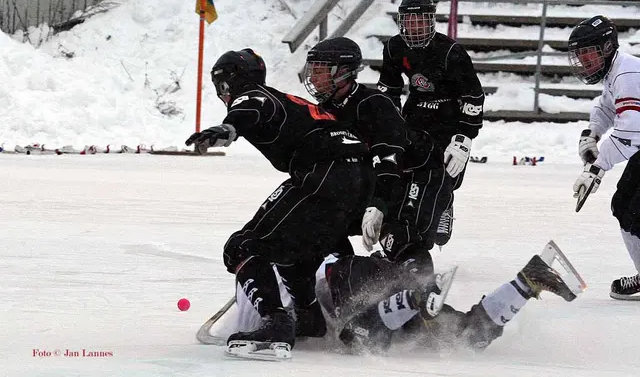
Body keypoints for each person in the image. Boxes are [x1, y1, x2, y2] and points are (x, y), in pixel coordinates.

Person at [185, 48, 375, 350]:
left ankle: (275, 323)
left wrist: (227, 129)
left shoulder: (252, 95)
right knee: (292, 253)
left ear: (226, 83)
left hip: (325, 172)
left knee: (241, 246)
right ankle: (308, 316)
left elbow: (250, 109)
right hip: (359, 178)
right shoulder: (283, 99)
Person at [227, 246, 581, 355]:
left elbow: (291, 323)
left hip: (351, 279)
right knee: (469, 338)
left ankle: (414, 298)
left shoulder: (270, 276)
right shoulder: (282, 257)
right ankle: (528, 280)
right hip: (377, 275)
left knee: (359, 336)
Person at [303, 36, 452, 274]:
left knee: (398, 238)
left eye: (319, 71)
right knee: (322, 226)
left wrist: (378, 204)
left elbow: (389, 158)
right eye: (312, 71)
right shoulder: (326, 112)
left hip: (419, 174)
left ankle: (421, 290)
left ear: (342, 72)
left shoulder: (374, 104)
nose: (312, 78)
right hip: (380, 180)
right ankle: (343, 278)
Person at [376, 0, 485, 247]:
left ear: (431, 22)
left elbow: (474, 98)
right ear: (401, 22)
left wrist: (464, 138)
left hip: (450, 118)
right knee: (404, 169)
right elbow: (388, 91)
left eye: (420, 21)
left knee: (447, 172)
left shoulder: (451, 53)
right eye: (409, 21)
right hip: (416, 114)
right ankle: (401, 228)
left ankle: (445, 204)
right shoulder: (394, 47)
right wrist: (388, 123)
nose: (414, 28)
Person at [568, 15, 640, 300]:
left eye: (587, 53)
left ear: (608, 48)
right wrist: (593, 133)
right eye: (579, 54)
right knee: (625, 205)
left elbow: (630, 132)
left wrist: (597, 168)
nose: (583, 61)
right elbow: (607, 107)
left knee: (635, 208)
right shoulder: (617, 71)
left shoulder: (627, 74)